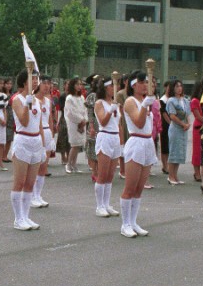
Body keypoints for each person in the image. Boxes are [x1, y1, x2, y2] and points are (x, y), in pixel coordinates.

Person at [119, 71, 156, 237]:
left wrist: (147, 103)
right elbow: (139, 122)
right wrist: (145, 104)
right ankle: (125, 224)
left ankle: (133, 221)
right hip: (136, 143)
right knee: (130, 187)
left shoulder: (144, 102)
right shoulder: (130, 101)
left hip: (148, 143)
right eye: (143, 82)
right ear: (134, 84)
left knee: (139, 188)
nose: (147, 85)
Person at [9, 68, 43, 231]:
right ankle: (18, 218)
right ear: (25, 81)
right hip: (22, 140)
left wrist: (44, 145)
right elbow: (23, 119)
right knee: (20, 182)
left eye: (37, 79)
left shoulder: (37, 100)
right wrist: (28, 102)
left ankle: (26, 216)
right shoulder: (17, 99)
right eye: (33, 79)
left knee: (30, 183)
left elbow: (40, 125)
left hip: (36, 141)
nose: (36, 82)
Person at [93, 76, 121, 217]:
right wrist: (111, 110)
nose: (113, 89)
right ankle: (99, 206)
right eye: (111, 86)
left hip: (115, 137)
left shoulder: (115, 103)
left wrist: (121, 142)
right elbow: (103, 122)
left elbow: (119, 124)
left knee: (110, 175)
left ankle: (107, 203)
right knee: (103, 174)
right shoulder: (99, 103)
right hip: (105, 136)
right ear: (105, 88)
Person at [33, 75, 54, 208]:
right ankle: (32, 195)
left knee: (43, 166)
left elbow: (50, 119)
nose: (47, 86)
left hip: (46, 132)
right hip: (36, 133)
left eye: (49, 83)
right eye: (44, 83)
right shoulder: (33, 100)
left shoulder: (48, 100)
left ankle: (38, 194)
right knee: (35, 166)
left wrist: (51, 136)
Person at [165, 80, 190, 185]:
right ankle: (170, 176)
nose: (179, 88)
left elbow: (188, 114)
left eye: (180, 86)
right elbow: (172, 116)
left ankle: (175, 175)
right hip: (175, 128)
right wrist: (183, 124)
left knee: (180, 152)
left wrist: (188, 124)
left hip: (184, 129)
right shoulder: (171, 100)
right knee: (174, 151)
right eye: (176, 86)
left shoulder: (185, 100)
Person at [63, 77, 87, 174]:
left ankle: (74, 164)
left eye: (80, 84)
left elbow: (85, 109)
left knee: (78, 145)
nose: (79, 86)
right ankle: (68, 164)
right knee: (74, 144)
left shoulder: (82, 98)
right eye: (77, 84)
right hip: (73, 123)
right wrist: (80, 120)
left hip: (82, 122)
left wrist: (85, 119)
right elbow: (70, 113)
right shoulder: (69, 98)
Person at [190, 79, 203, 183]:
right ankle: (197, 172)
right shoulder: (195, 101)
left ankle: (202, 172)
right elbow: (198, 116)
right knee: (197, 151)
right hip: (198, 128)